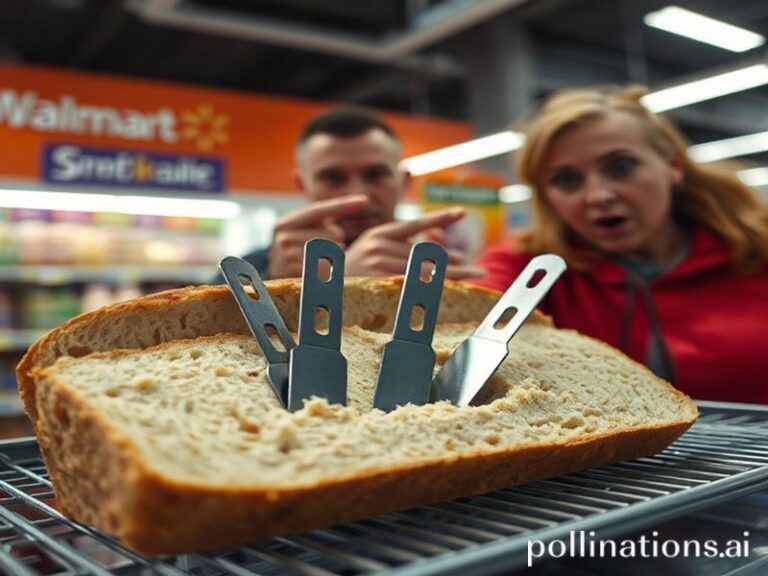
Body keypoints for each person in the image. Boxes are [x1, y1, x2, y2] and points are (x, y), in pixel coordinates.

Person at [472, 85, 768, 404]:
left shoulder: (756, 246)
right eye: (567, 180)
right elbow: (471, 311)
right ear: (547, 196)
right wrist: (419, 294)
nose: (598, 195)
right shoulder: (530, 266)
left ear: (674, 166)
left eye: (621, 167)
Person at [239, 106, 483, 280]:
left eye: (375, 175)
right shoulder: (247, 272)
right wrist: (278, 287)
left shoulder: (437, 270)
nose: (359, 195)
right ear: (302, 185)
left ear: (404, 181)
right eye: (333, 178)